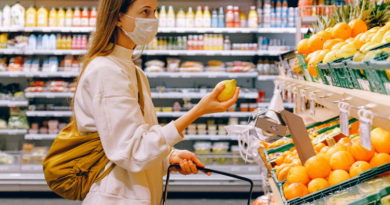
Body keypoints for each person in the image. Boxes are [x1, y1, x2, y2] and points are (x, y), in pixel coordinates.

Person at [74, 0, 240, 204]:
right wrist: (198, 111)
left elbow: (137, 140)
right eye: (145, 12)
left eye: (154, 12)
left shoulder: (134, 71)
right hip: (116, 197)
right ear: (118, 17)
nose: (153, 20)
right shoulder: (106, 71)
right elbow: (132, 151)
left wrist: (168, 157)